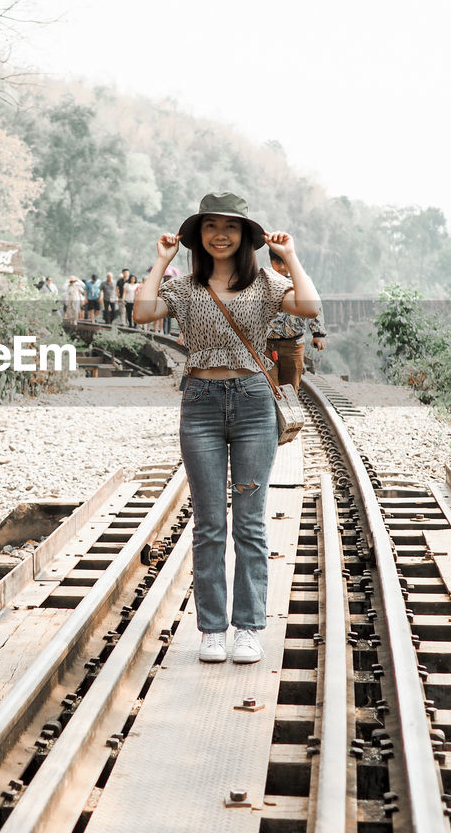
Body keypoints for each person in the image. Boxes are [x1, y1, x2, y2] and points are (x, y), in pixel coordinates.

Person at [135, 192, 320, 665]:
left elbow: (309, 305)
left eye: (231, 227)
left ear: (245, 238)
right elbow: (142, 312)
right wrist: (161, 261)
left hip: (254, 403)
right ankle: (213, 630)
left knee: (251, 523)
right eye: (211, 226)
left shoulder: (264, 282)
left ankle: (248, 628)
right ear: (199, 236)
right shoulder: (184, 288)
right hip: (200, 404)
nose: (220, 234)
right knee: (210, 524)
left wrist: (291, 256)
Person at [266, 253, 325, 388]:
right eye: (277, 262)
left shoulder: (302, 281)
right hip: (266, 345)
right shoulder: (264, 280)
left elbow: (315, 305)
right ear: (271, 261)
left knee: (290, 387)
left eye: (285, 262)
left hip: (293, 344)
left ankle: (288, 409)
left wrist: (318, 334)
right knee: (269, 387)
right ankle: (272, 409)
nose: (281, 267)